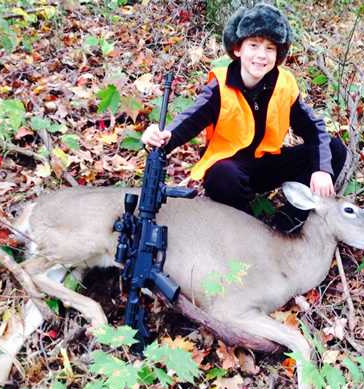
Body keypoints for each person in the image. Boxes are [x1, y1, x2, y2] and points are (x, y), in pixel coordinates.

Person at [142, 2, 348, 234]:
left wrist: (321, 169)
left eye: (270, 48)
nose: (261, 55)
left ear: (278, 55)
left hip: (267, 164)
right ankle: (251, 230)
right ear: (238, 49)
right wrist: (161, 136)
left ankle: (288, 223)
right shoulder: (220, 87)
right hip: (231, 168)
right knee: (222, 175)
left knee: (334, 148)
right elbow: (189, 121)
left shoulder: (284, 84)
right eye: (254, 45)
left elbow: (314, 129)